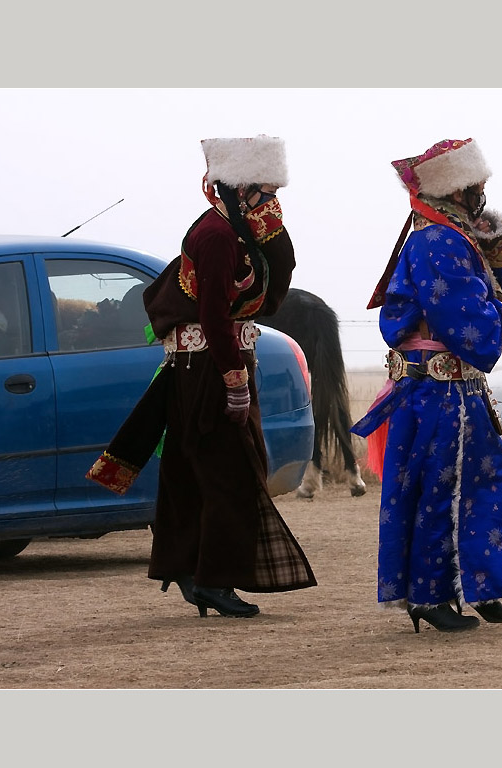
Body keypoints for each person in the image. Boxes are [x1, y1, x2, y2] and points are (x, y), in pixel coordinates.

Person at [87, 134, 317, 618]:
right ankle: (214, 579)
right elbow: (214, 317)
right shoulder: (217, 236)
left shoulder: (235, 231)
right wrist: (235, 379)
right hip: (210, 370)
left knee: (192, 473)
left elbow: (275, 273)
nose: (271, 203)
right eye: (263, 192)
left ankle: (188, 568)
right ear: (238, 190)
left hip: (205, 367)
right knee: (231, 473)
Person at [351, 138, 502, 633]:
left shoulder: (457, 236)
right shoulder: (436, 242)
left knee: (487, 485)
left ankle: (483, 586)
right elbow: (465, 318)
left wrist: (494, 236)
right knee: (439, 490)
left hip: (458, 390)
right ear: (458, 189)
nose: (483, 194)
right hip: (435, 392)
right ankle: (430, 598)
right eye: (477, 187)